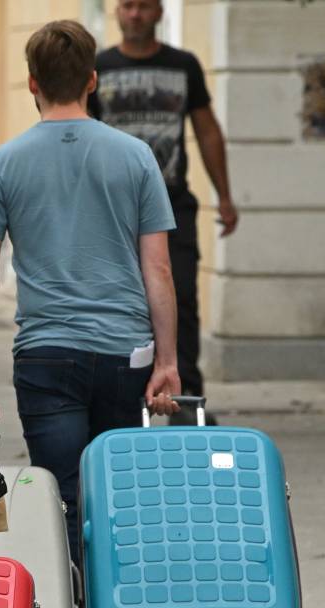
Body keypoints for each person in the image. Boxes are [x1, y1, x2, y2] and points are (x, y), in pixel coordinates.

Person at [0, 20, 181, 568]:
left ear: (32, 82)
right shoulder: (137, 157)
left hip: (46, 354)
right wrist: (168, 362)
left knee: (60, 495)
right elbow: (158, 267)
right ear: (92, 79)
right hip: (125, 354)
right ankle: (114, 602)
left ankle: (70, 602)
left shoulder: (0, 164)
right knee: (115, 490)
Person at [89, 0, 238, 423]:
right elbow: (83, 134)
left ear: (160, 13)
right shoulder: (99, 68)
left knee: (182, 299)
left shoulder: (183, 65)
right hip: (114, 210)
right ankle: (121, 400)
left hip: (173, 205)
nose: (136, 15)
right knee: (116, 301)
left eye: (145, 7)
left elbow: (207, 130)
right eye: (128, 6)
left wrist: (224, 195)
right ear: (117, 12)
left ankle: (185, 402)